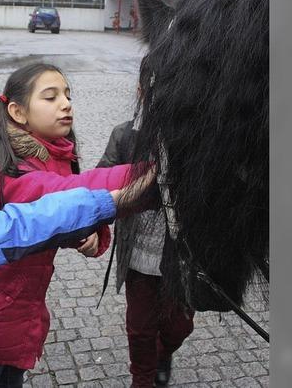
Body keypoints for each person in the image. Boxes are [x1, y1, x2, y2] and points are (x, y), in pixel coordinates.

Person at [0, 83, 128, 387]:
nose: (66, 104)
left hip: (13, 318)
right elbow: (23, 224)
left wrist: (87, 232)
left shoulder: (58, 154)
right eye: (50, 96)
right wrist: (120, 194)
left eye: (69, 95)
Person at [97, 116, 195, 388]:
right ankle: (142, 379)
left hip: (179, 258)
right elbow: (102, 178)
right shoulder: (125, 134)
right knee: (140, 328)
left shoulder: (196, 131)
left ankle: (159, 357)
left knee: (179, 326)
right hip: (138, 255)